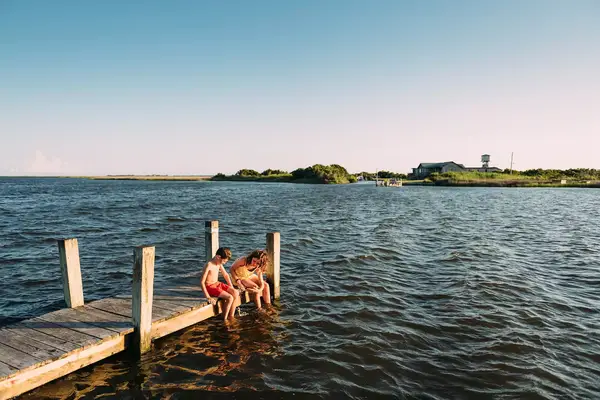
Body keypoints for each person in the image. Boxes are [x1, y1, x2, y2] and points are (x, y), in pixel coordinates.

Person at [200, 247, 239, 321]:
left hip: (217, 284)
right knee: (230, 297)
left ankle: (231, 316)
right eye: (224, 261)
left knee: (235, 293)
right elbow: (202, 282)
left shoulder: (219, 263)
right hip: (210, 286)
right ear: (218, 257)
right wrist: (208, 297)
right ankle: (224, 319)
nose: (224, 263)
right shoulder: (209, 265)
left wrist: (231, 287)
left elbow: (226, 275)